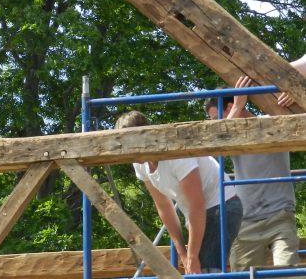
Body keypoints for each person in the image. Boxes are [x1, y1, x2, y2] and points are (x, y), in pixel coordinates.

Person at [115, 110, 243, 274]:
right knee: (197, 270)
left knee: (206, 271)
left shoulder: (175, 154)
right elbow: (164, 207)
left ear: (147, 136)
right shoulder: (140, 164)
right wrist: (183, 253)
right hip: (197, 214)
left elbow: (197, 204)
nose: (128, 150)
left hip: (222, 206)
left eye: (131, 143)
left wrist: (192, 255)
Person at [204, 76, 300, 270]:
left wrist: (294, 96)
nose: (215, 124)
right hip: (246, 221)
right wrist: (237, 108)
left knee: (287, 272)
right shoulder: (229, 136)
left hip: (279, 215)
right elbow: (217, 146)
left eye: (216, 119)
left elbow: (296, 118)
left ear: (229, 108)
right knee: (240, 273)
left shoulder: (271, 122)